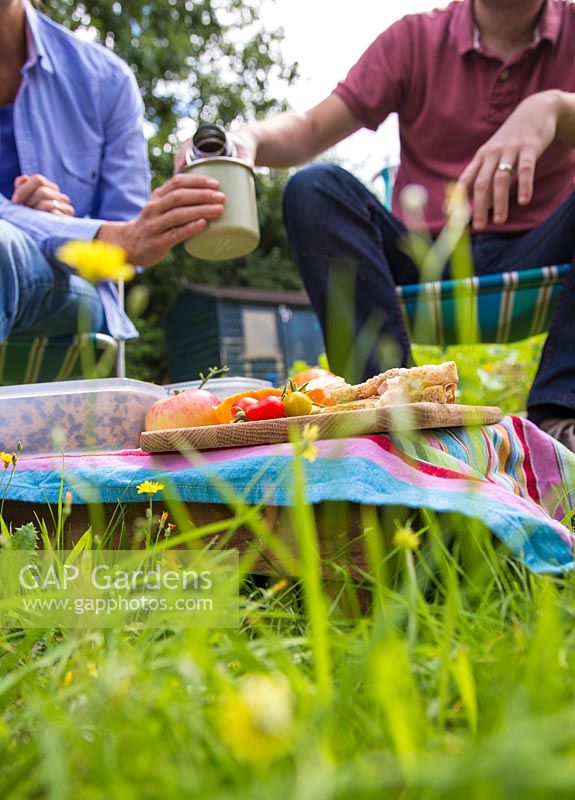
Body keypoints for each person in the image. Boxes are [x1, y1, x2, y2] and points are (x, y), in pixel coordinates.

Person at [177, 0, 575, 450]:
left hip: (545, 245)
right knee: (315, 188)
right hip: (424, 254)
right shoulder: (415, 40)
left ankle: (565, 413)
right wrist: (246, 137)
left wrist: (556, 109)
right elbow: (310, 128)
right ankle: (383, 420)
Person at [0, 0, 225, 342]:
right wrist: (47, 226)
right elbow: (120, 238)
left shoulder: (105, 80)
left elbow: (130, 239)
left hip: (75, 289)